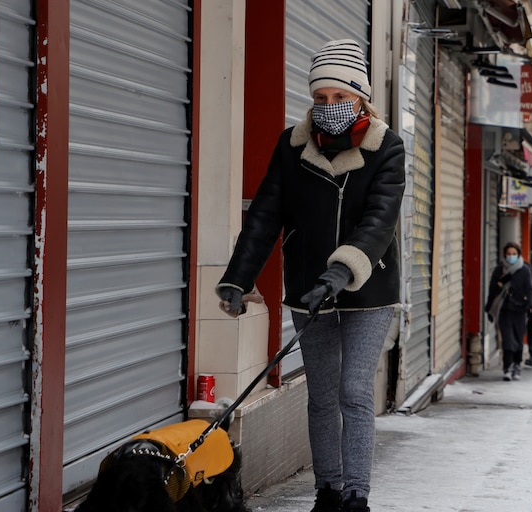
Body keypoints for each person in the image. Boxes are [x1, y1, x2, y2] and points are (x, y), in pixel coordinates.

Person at [215, 39, 401, 512]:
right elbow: (264, 215)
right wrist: (239, 278)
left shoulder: (387, 148)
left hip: (366, 290)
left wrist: (341, 272)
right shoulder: (291, 145)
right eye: (320, 99)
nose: (329, 107)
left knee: (353, 392)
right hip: (306, 290)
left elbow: (379, 220)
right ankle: (328, 490)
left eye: (340, 97)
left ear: (359, 98)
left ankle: (356, 495)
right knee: (320, 396)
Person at [485, 242, 532, 381]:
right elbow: (492, 290)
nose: (511, 257)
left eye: (514, 254)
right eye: (508, 254)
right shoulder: (499, 270)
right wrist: (489, 307)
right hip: (505, 309)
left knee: (518, 339)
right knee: (507, 340)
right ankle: (507, 367)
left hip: (520, 309)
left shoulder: (524, 269)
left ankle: (516, 365)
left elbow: (530, 288)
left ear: (518, 254)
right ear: (504, 255)